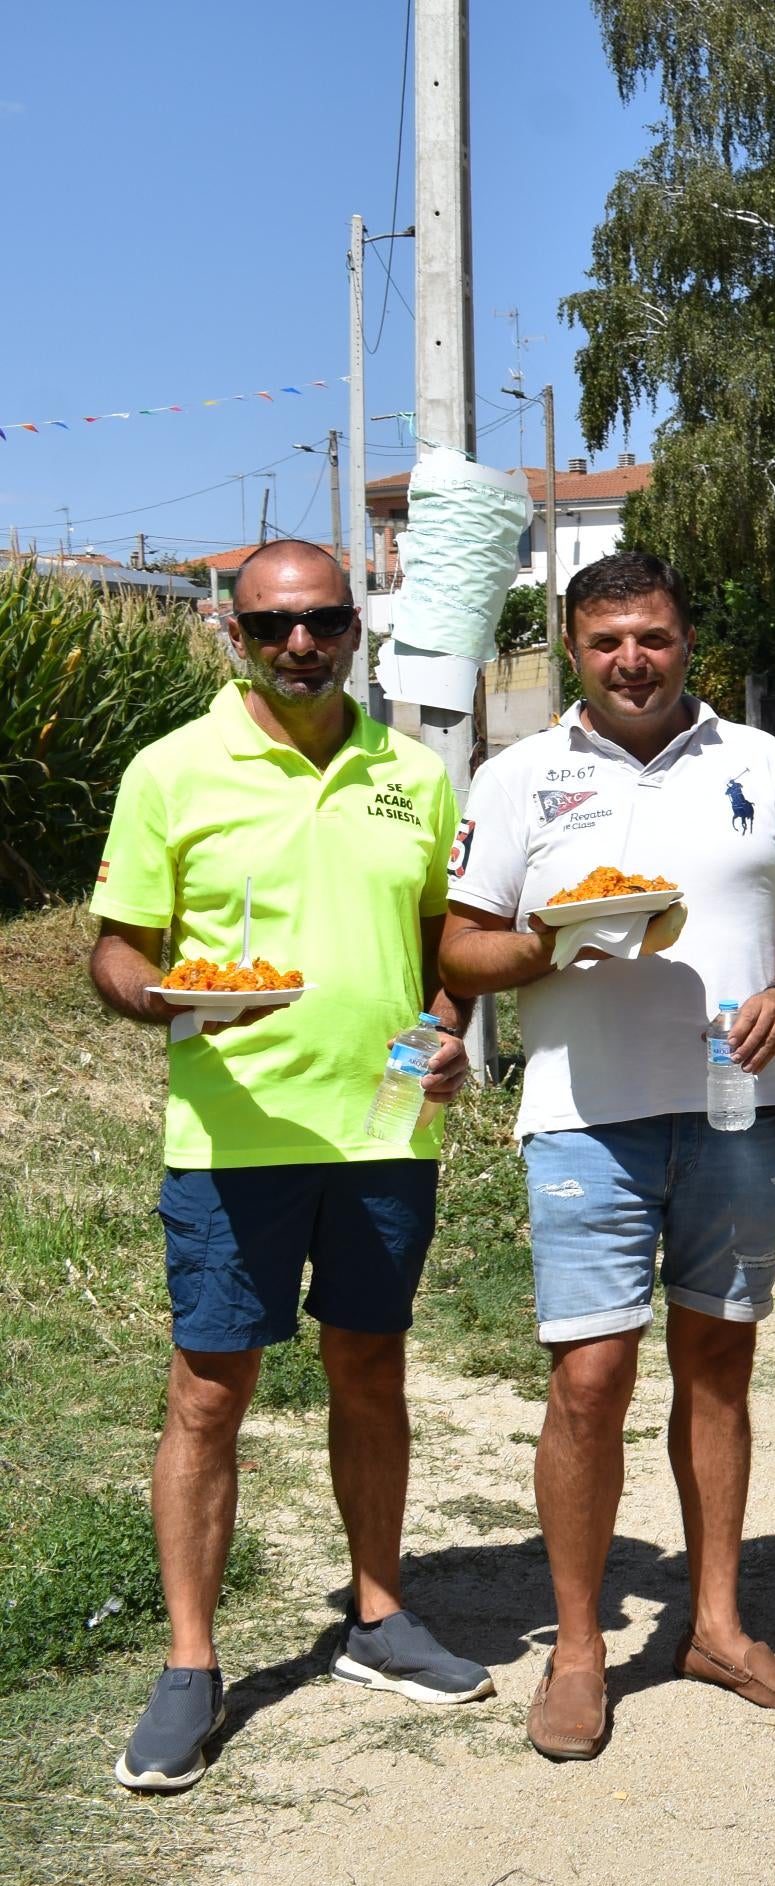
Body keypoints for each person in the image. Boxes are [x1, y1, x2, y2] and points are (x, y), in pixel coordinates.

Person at [91, 538, 486, 1793]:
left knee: (372, 1369)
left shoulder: (414, 776)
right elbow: (116, 948)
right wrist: (162, 1000)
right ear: (233, 635)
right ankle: (192, 1666)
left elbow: (441, 944)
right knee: (210, 1391)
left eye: (321, 619)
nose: (299, 643)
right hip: (232, 1139)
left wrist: (453, 1035)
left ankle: (377, 1614)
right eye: (273, 626)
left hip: (382, 1130)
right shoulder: (170, 772)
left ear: (357, 626)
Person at [443, 552, 775, 1761]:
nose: (634, 659)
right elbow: (462, 951)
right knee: (588, 1381)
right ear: (575, 647)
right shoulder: (520, 777)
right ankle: (578, 1650)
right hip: (582, 1113)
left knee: (718, 1365)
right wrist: (550, 953)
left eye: (655, 637)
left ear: (687, 643)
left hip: (735, 1103)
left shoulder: (761, 763)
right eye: (610, 638)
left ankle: (717, 1624)